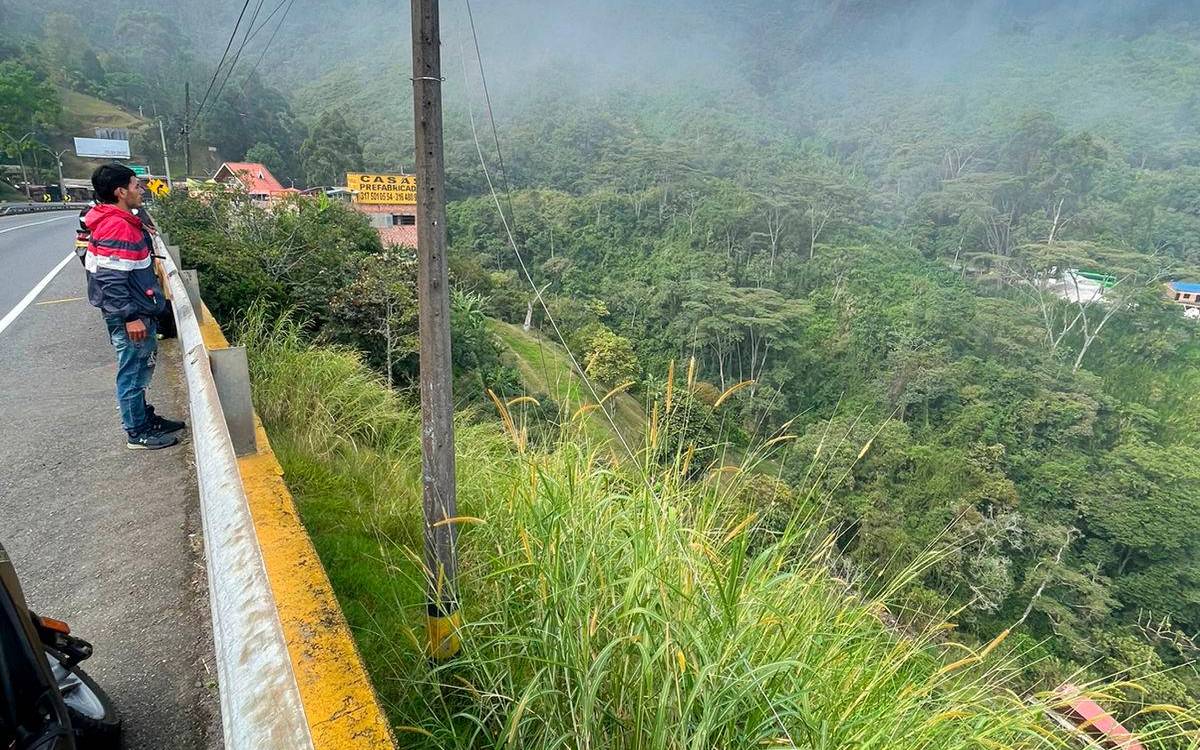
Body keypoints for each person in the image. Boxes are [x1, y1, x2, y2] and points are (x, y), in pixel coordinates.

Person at [84, 164, 186, 449]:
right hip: (131, 316)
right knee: (132, 373)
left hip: (138, 310)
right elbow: (111, 278)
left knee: (140, 370)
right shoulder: (117, 225)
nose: (140, 190)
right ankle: (137, 431)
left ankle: (144, 418)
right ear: (120, 191)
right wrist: (130, 317)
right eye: (135, 185)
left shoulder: (121, 220)